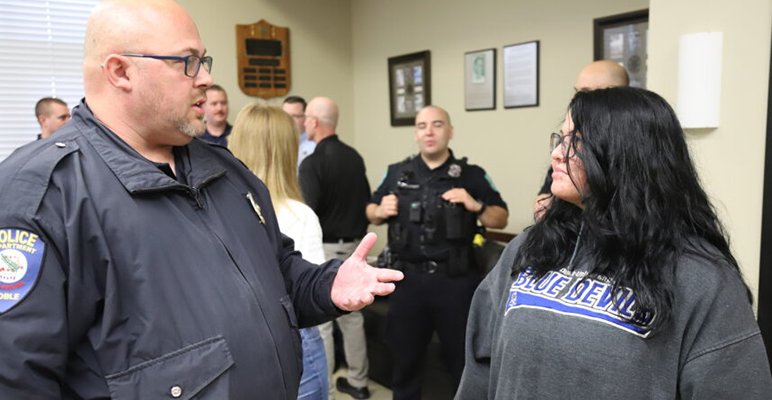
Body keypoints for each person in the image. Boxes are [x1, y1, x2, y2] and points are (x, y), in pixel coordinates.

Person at [0, 1, 403, 398]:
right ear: (121, 72)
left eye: (204, 60)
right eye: (187, 62)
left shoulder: (222, 166)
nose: (206, 77)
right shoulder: (38, 199)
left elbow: (280, 271)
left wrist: (329, 284)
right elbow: (10, 381)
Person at [457, 87, 772, 399]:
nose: (556, 153)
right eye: (560, 138)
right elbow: (480, 367)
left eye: (576, 142)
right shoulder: (530, 247)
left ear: (624, 155)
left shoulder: (699, 276)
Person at [366, 105, 508, 399]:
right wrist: (379, 210)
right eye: (421, 126)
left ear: (450, 131)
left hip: (454, 283)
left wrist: (475, 205)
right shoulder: (396, 173)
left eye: (437, 125)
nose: (428, 131)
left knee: (462, 363)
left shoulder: (470, 175)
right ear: (416, 134)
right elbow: (370, 210)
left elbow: (500, 217)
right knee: (404, 363)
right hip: (407, 283)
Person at [228, 103, 330, 400]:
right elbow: (313, 296)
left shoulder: (220, 212)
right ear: (287, 151)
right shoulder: (299, 215)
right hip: (298, 339)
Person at [299, 96, 372, 400]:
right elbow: (367, 201)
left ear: (314, 122)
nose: (304, 124)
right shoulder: (354, 156)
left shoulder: (312, 163)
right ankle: (358, 381)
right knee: (354, 319)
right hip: (355, 248)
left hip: (326, 250)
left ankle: (325, 389)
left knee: (324, 325)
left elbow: (308, 212)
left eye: (305, 118)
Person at [533, 60, 628, 219]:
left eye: (589, 93)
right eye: (579, 93)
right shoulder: (567, 154)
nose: (557, 154)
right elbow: (541, 209)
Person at [283, 95, 316, 167]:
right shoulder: (275, 143)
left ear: (306, 117)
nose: (289, 120)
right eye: (285, 116)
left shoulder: (315, 147)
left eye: (295, 116)